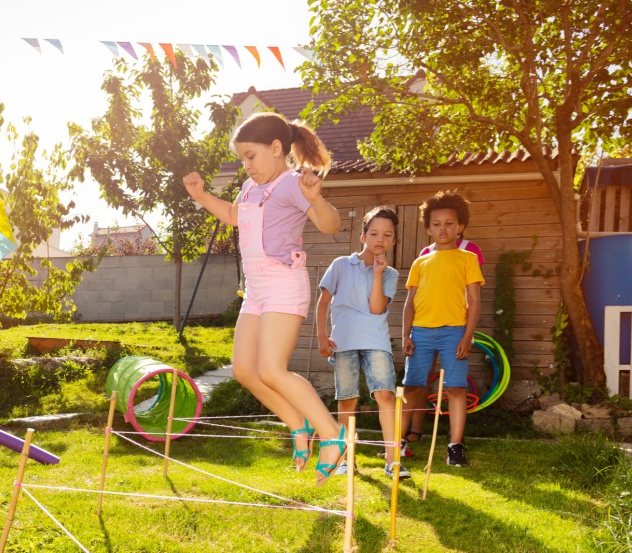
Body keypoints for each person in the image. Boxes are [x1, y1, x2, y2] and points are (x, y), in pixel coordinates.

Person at [183, 112, 346, 485]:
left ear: (276, 149)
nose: (247, 165)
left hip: (283, 284)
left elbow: (331, 225)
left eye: (251, 156)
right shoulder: (249, 187)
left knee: (272, 369)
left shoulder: (292, 185)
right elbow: (232, 216)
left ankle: (333, 434)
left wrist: (316, 200)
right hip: (255, 289)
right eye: (242, 158)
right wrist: (201, 195)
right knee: (244, 370)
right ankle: (298, 425)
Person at [315, 206, 409, 479]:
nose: (380, 239)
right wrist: (322, 335)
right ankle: (346, 459)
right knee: (347, 400)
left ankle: (392, 461)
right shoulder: (341, 265)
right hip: (343, 341)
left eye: (387, 235)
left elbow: (377, 308)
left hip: (376, 340)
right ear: (363, 236)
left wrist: (378, 274)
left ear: (393, 240)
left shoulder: (390, 274)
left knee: (385, 395)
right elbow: (323, 302)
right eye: (375, 233)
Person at [401, 191, 484, 467]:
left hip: (454, 332)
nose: (443, 229)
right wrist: (405, 334)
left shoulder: (467, 259)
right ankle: (398, 442)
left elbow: (474, 301)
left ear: (460, 227)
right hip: (421, 333)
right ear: (428, 228)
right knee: (412, 387)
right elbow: (409, 303)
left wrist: (467, 336)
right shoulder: (420, 262)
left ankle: (455, 446)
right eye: (436, 224)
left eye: (449, 223)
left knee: (456, 389)